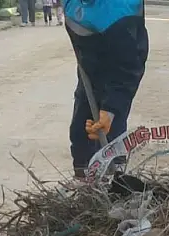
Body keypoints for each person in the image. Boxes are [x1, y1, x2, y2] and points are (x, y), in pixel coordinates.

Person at [63, 0, 149, 180]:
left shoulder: (121, 11)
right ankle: (83, 180)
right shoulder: (71, 3)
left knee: (111, 132)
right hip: (90, 67)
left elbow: (129, 67)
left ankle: (115, 181)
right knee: (81, 130)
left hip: (120, 65)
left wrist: (111, 109)